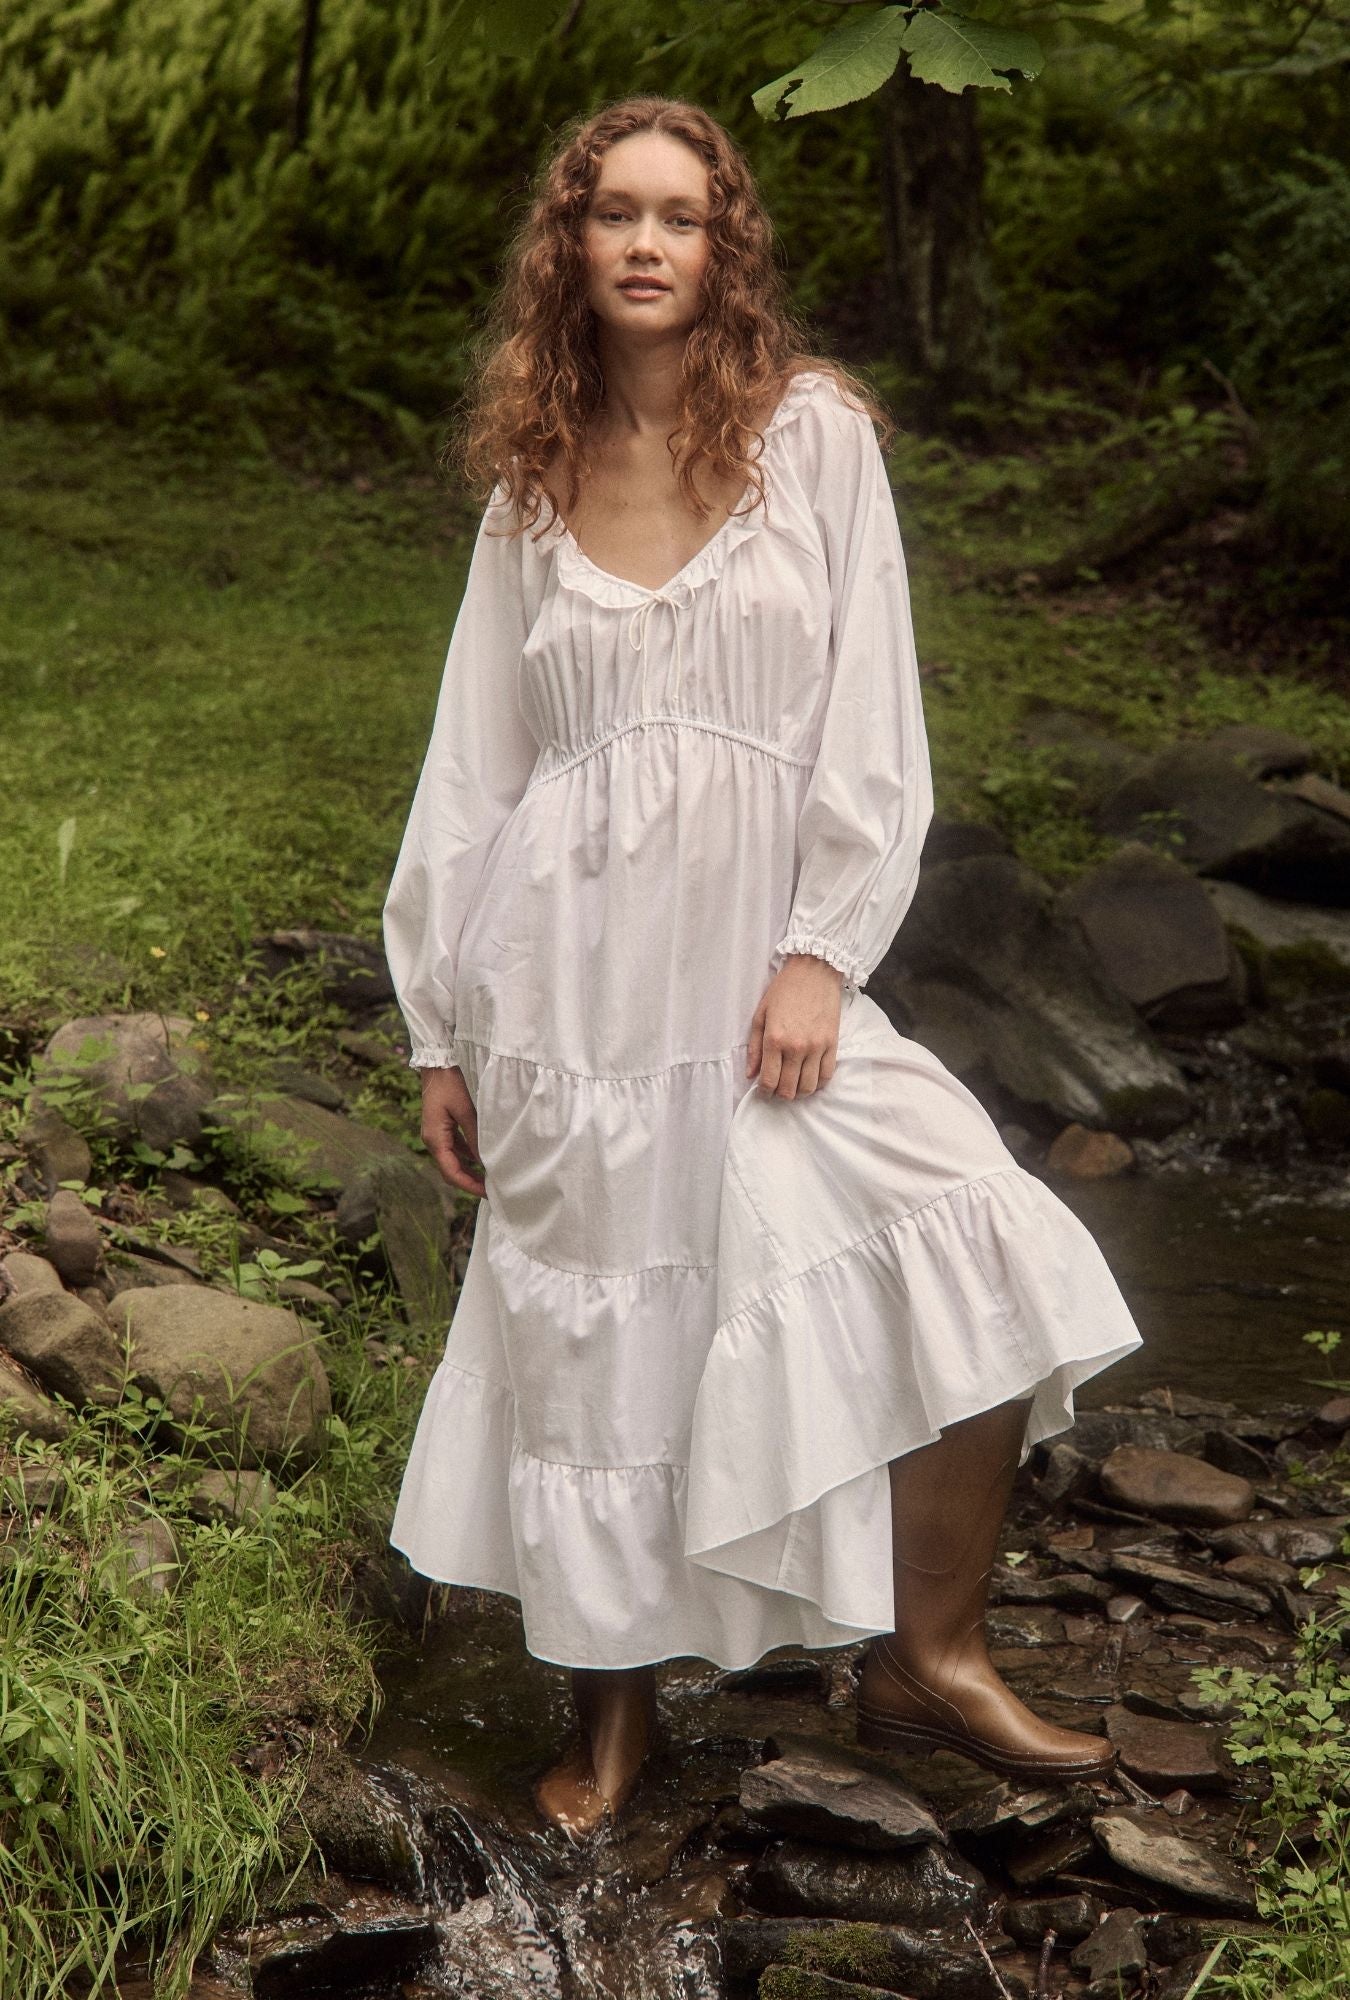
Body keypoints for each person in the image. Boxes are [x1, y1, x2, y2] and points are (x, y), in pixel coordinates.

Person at [382, 94, 1144, 1843]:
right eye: (613, 215)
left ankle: (927, 1650)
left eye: (682, 217)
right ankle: (611, 1724)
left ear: (727, 250)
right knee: (596, 1332)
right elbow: (472, 771)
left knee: (971, 1221)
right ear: (566, 245)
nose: (646, 244)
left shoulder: (814, 441)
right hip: (562, 992)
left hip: (751, 980)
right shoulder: (533, 476)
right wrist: (440, 1023)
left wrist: (817, 951)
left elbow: (870, 722)